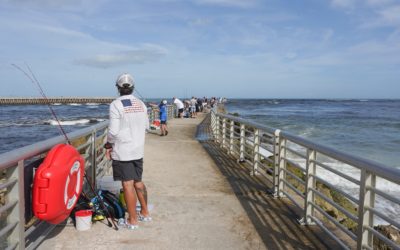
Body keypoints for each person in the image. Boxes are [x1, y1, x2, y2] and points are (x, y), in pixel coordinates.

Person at [105, 73, 151, 230]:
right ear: (133, 88)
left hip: (123, 150)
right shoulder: (141, 104)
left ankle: (132, 220)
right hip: (138, 150)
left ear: (118, 88)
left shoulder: (115, 105)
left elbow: (113, 131)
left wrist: (108, 145)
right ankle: (145, 213)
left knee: (127, 184)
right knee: (138, 182)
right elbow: (147, 127)